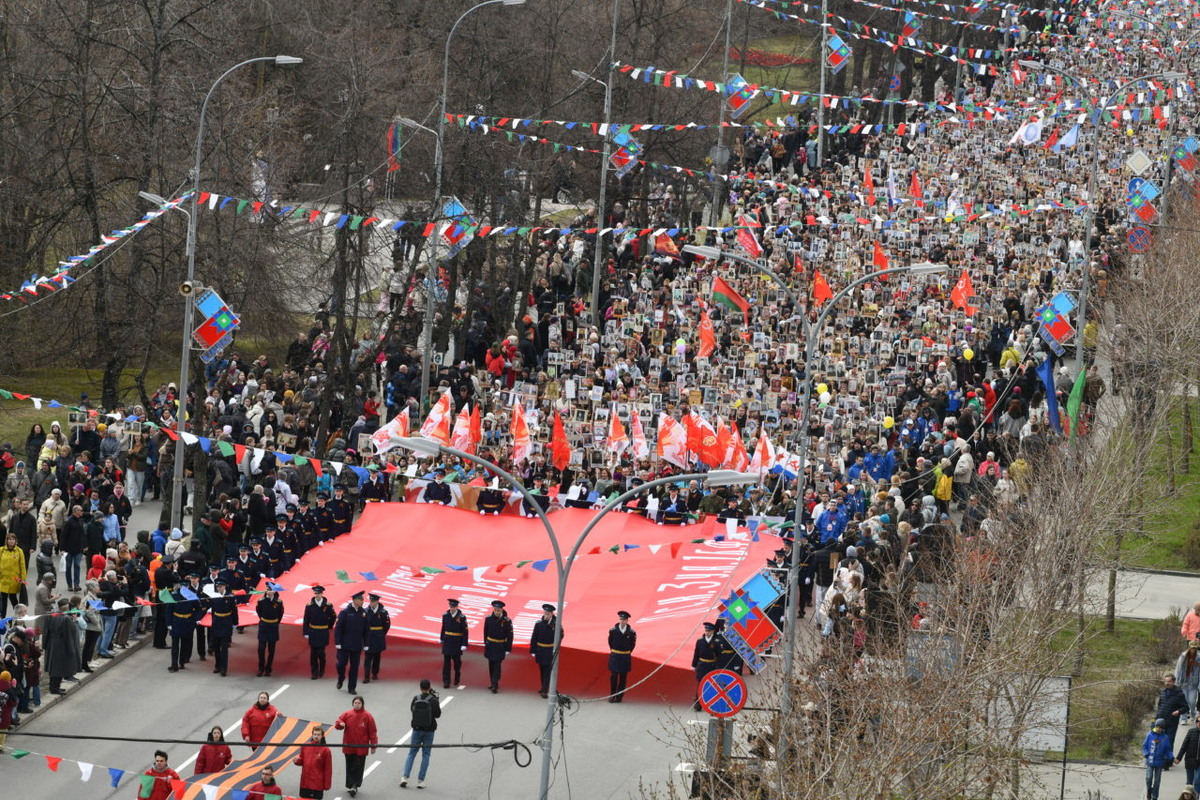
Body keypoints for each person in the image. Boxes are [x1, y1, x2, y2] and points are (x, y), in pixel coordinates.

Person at [400, 679, 441, 789]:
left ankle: (405, 777)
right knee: (426, 755)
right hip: (429, 731)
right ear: (429, 687)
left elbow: (411, 710)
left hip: (417, 729)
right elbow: (438, 715)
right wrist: (437, 700)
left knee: (412, 753)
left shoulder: (416, 698)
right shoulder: (433, 700)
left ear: (420, 687)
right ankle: (420, 780)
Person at [334, 695, 378, 797]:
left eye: (359, 703)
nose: (357, 705)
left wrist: (373, 746)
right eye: (355, 703)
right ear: (352, 704)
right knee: (349, 766)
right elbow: (338, 722)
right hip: (348, 746)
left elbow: (372, 732)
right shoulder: (347, 714)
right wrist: (340, 724)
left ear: (362, 704)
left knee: (358, 767)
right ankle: (350, 785)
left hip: (361, 748)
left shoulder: (367, 716)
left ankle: (355, 785)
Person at [42, 597, 79, 695]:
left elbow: (45, 631)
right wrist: (71, 648)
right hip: (61, 644)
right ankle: (54, 688)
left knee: (53, 666)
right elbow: (70, 633)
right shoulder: (65, 618)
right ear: (66, 608)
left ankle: (54, 687)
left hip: (51, 642)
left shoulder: (50, 615)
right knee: (59, 667)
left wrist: (44, 644)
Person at [334, 590, 368, 693]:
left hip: (356, 645)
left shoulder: (363, 613)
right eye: (360, 599)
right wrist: (338, 642)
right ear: (354, 600)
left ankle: (352, 687)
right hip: (344, 644)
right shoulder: (345, 612)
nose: (362, 601)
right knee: (341, 664)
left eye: (362, 599)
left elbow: (366, 630)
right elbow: (338, 628)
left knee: (354, 667)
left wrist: (366, 643)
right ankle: (341, 677)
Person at [302, 584, 336, 680]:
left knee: (321, 652)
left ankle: (322, 668)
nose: (317, 595)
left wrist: (329, 626)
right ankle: (314, 672)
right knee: (313, 653)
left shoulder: (328, 605)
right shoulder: (309, 606)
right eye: (315, 593)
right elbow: (306, 619)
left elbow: (333, 616)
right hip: (313, 631)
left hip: (323, 631)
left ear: (322, 594)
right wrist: (306, 632)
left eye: (318, 593)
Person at [207, 577, 237, 676]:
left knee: (224, 648)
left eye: (220, 586)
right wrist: (212, 622)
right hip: (217, 622)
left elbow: (234, 611)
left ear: (224, 586)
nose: (219, 588)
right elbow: (213, 611)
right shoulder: (214, 597)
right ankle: (217, 665)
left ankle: (224, 668)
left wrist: (235, 623)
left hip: (226, 622)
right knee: (216, 647)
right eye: (217, 586)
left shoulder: (230, 597)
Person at [293, 725, 332, 800]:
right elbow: (302, 760)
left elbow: (328, 769)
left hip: (317, 785)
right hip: (305, 783)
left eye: (318, 734)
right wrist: (297, 761)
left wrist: (327, 785)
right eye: (314, 734)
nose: (316, 736)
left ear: (322, 736)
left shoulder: (326, 750)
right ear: (312, 734)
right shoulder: (305, 746)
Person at [482, 599, 513, 693]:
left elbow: (510, 636)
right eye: (495, 610)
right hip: (490, 645)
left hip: (500, 645)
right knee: (491, 665)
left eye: (498, 610)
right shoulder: (488, 619)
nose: (496, 612)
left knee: (497, 665)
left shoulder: (507, 621)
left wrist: (508, 648)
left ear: (502, 610)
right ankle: (492, 682)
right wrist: (485, 643)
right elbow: (485, 632)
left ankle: (495, 684)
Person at [530, 602, 560, 698]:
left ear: (552, 614)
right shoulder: (539, 624)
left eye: (548, 614)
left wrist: (555, 649)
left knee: (547, 670)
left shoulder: (556, 624)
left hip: (549, 650)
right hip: (540, 650)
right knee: (542, 669)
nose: (546, 615)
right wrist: (533, 650)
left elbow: (561, 635)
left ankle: (544, 690)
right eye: (545, 613)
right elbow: (534, 637)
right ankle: (544, 686)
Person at [607, 610, 637, 703]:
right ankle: (612, 695)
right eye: (621, 619)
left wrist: (627, 652)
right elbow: (610, 642)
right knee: (614, 676)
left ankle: (619, 696)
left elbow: (632, 645)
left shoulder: (631, 633)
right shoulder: (613, 631)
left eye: (624, 619)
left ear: (627, 621)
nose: (622, 621)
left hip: (625, 656)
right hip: (615, 655)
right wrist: (614, 651)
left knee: (623, 677)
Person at [440, 597, 469, 689]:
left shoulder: (462, 617)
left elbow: (465, 631)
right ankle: (446, 681)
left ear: (457, 607)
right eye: (451, 606)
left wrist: (464, 644)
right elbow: (443, 627)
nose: (452, 608)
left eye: (454, 607)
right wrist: (441, 638)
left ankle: (457, 674)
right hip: (448, 640)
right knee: (446, 663)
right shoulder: (445, 615)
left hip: (457, 642)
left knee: (457, 662)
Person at [691, 621, 719, 711]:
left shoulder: (716, 641)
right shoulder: (700, 641)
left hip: (712, 665)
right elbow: (696, 654)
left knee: (712, 685)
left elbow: (719, 655)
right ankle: (698, 704)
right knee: (700, 684)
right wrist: (694, 665)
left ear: (712, 631)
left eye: (709, 631)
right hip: (702, 665)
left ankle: (711, 703)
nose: (707, 632)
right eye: (706, 630)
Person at [255, 589, 284, 677]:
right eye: (268, 590)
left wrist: (275, 622)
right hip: (264, 625)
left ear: (274, 591)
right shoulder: (261, 601)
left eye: (271, 590)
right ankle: (261, 668)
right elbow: (258, 611)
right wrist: (263, 620)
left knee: (271, 650)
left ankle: (268, 668)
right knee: (261, 648)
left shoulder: (278, 602)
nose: (269, 592)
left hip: (273, 626)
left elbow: (280, 614)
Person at [363, 592, 390, 684]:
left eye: (373, 601)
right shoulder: (365, 611)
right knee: (368, 657)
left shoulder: (383, 612)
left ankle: (375, 673)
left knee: (377, 657)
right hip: (369, 636)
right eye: (370, 601)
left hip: (378, 636)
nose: (371, 603)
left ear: (377, 601)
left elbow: (386, 625)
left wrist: (381, 634)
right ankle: (366, 676)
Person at [1161, 673, 1191, 750]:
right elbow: (1159, 706)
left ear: (1173, 682)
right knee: (1159, 743)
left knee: (1169, 743)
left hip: (1172, 723)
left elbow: (1186, 707)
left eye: (1169, 681)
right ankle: (1160, 761)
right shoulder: (1163, 692)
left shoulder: (1179, 694)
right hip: (1161, 722)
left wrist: (1178, 711)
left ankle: (1169, 761)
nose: (1167, 683)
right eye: (1166, 681)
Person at [1147, 718, 1174, 800]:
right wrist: (1145, 753)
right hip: (1150, 761)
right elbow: (1145, 746)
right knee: (1148, 777)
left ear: (1163, 729)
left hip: (1159, 762)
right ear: (1155, 726)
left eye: (1161, 728)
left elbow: (1168, 750)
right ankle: (1149, 790)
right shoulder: (1150, 735)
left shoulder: (1165, 737)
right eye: (1157, 727)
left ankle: (1155, 796)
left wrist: (1171, 757)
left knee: (1157, 781)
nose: (1159, 729)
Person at [0, 532, 25, 617]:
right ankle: (2, 619)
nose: (11, 541)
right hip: (3, 581)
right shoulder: (1, 550)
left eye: (13, 539)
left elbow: (22, 566)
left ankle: (19, 618)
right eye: (9, 539)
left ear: (15, 541)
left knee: (14, 601)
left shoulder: (19, 551)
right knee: (3, 602)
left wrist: (23, 579)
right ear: (6, 541)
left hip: (14, 581)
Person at [1176, 716, 1200, 788]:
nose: (1199, 723)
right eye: (1198, 721)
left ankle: (1195, 797)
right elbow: (1184, 746)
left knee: (1197, 781)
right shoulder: (1191, 731)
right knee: (1189, 783)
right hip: (1190, 760)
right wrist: (1178, 758)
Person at [1179, 642, 1200, 721]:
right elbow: (1178, 669)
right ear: (1189, 647)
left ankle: (1192, 713)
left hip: (1193, 682)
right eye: (1192, 648)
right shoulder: (1183, 656)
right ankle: (1183, 718)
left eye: (1194, 648)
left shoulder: (1199, 657)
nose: (1193, 650)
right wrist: (1177, 681)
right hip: (1183, 681)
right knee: (1184, 700)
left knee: (1192, 701)